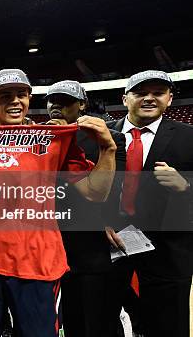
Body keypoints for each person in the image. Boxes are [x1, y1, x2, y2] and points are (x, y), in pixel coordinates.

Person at [0, 69, 117, 337]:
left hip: (37, 259)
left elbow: (94, 193)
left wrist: (107, 149)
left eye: (21, 94)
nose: (15, 101)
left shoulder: (54, 138)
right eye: (5, 96)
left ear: (30, 98)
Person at [105, 70, 193, 337]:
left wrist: (185, 185)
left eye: (158, 93)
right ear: (125, 98)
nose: (149, 98)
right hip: (110, 243)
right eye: (141, 93)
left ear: (169, 99)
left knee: (168, 323)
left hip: (168, 249)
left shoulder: (189, 137)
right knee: (104, 318)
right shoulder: (101, 136)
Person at [44, 80, 127, 337]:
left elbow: (113, 190)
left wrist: (107, 221)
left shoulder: (107, 137)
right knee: (64, 321)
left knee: (96, 322)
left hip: (88, 244)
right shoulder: (38, 136)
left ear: (82, 104)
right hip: (48, 244)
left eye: (66, 101)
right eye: (52, 101)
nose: (56, 106)